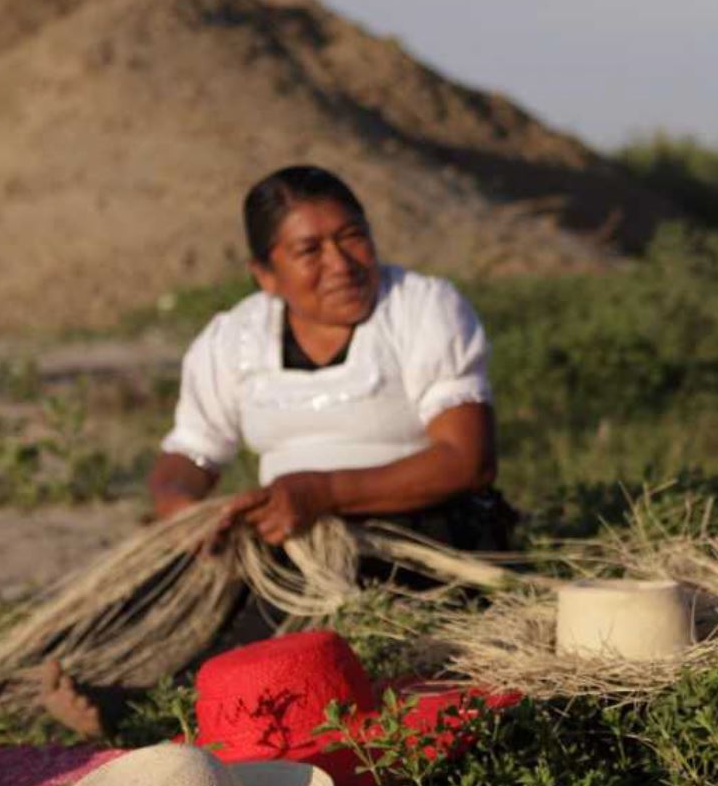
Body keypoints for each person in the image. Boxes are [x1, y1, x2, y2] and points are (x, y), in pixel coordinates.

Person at [41, 165, 515, 736]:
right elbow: (189, 456)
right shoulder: (234, 339)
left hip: (416, 534)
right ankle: (89, 679)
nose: (340, 264)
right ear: (266, 274)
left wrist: (323, 493)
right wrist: (183, 511)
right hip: (290, 531)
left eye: (352, 237)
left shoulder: (422, 308)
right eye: (309, 250)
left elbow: (467, 460)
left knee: (287, 603)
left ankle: (157, 710)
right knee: (153, 593)